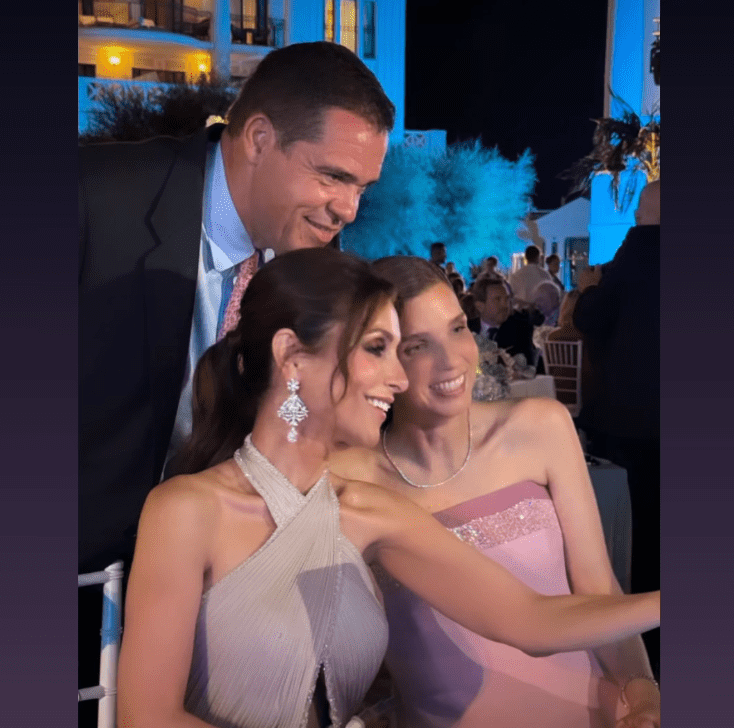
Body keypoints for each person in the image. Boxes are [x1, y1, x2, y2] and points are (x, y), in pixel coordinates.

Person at [118, 248, 660, 728]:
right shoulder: (185, 510)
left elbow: (531, 619)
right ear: (293, 358)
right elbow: (146, 717)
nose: (398, 378)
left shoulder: (371, 511)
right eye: (379, 348)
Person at [78, 41, 394, 727]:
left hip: (219, 615)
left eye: (362, 188)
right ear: (258, 139)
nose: (348, 208)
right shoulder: (94, 197)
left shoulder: (312, 262)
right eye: (333, 177)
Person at [331, 256, 660, 728]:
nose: (452, 360)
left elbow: (598, 587)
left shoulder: (540, 426)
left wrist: (643, 691)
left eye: (457, 329)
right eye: (418, 346)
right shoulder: (348, 481)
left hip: (595, 713)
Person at [572, 179, 661, 677]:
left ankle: (648, 643)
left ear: (646, 214)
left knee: (647, 529)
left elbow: (592, 318)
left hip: (640, 419)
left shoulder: (640, 248)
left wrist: (588, 289)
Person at [469, 275, 543, 367]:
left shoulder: (521, 329)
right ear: (480, 306)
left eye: (507, 299)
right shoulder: (467, 329)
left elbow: (528, 367)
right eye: (497, 299)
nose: (505, 305)